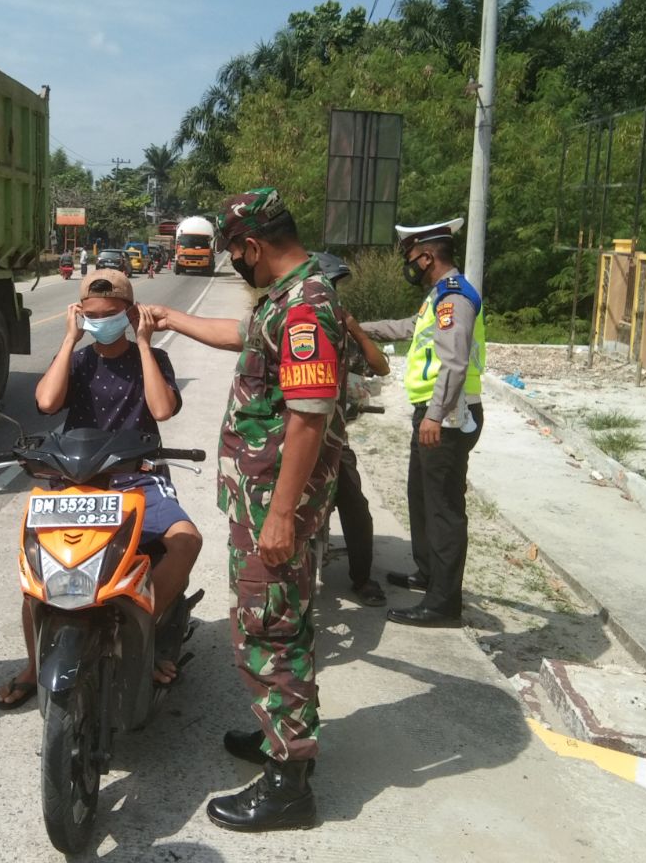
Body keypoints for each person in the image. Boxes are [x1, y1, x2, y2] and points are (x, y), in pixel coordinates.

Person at [148, 187, 345, 832]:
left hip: (272, 506)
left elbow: (309, 421)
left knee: (269, 630)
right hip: (261, 499)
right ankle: (277, 735)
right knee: (282, 617)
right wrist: (175, 322)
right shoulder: (290, 300)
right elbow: (242, 335)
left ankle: (289, 783)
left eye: (235, 251)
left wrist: (282, 514)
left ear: (253, 245)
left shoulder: (305, 310)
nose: (235, 262)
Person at [0, 268, 203, 708]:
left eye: (110, 314)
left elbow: (162, 411)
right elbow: (46, 403)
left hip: (137, 475)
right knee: (38, 571)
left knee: (186, 541)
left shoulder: (153, 358)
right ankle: (34, 666)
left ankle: (141, 635)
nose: (100, 321)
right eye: (91, 314)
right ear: (79, 313)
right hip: (76, 477)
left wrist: (145, 343)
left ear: (131, 312)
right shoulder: (80, 359)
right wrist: (69, 341)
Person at [360, 218, 486, 628]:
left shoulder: (454, 298)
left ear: (427, 256)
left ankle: (444, 604)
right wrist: (357, 329)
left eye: (411, 257)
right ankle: (428, 572)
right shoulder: (437, 298)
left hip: (449, 416)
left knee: (444, 509)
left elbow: (454, 361)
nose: (409, 265)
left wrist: (436, 414)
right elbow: (410, 331)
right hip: (433, 414)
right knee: (420, 496)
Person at [313, 252, 390, 608]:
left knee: (355, 506)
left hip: (331, 438)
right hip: (284, 436)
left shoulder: (339, 331)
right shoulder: (283, 325)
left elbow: (380, 367)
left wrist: (355, 330)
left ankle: (362, 578)